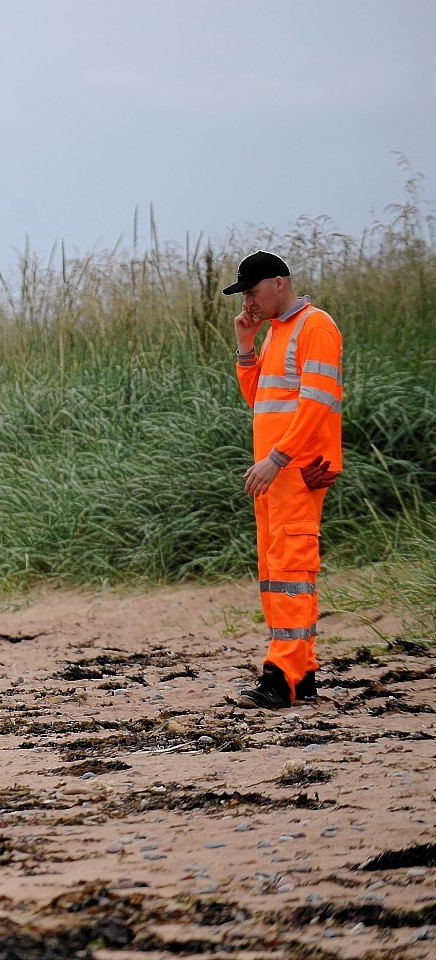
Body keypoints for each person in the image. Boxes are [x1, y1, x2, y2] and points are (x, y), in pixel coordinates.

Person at [226, 251, 344, 709]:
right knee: (278, 574)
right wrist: (245, 346)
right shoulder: (278, 332)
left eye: (253, 292)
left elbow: (316, 403)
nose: (249, 302)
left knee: (292, 569)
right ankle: (301, 675)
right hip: (272, 474)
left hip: (294, 469)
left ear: (279, 283)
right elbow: (259, 399)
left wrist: (277, 458)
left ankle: (281, 677)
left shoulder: (316, 327)